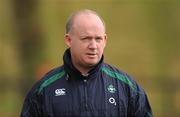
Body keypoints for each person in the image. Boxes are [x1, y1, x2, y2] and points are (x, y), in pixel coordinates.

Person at [20, 9, 153, 117]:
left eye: (98, 39)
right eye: (86, 38)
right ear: (68, 40)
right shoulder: (44, 90)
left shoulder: (127, 88)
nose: (93, 46)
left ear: (105, 40)